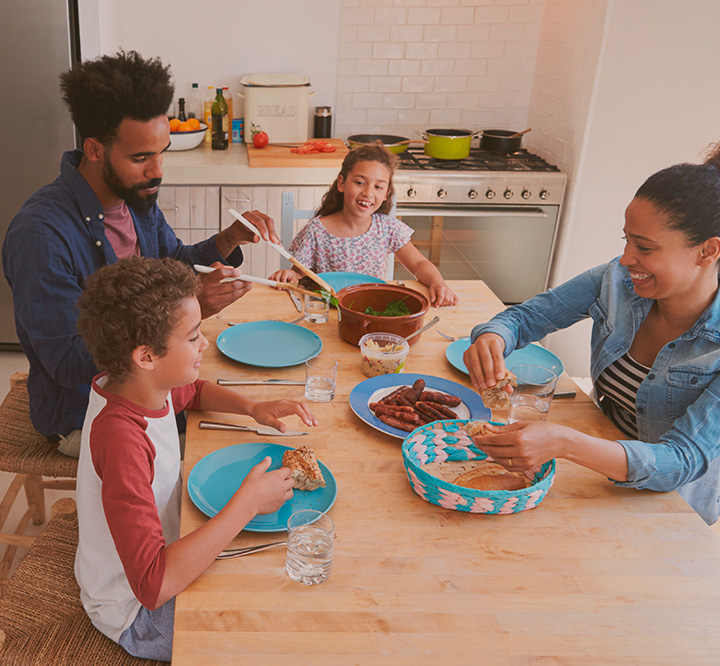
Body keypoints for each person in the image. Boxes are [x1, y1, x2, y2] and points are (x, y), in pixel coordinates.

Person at [2, 51, 279, 457]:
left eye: (161, 151)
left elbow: (175, 265)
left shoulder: (134, 198)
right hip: (87, 413)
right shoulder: (40, 235)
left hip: (153, 382)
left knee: (257, 415)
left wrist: (228, 240)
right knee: (229, 450)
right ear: (94, 150)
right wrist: (184, 313)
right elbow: (65, 360)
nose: (158, 170)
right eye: (141, 157)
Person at [73, 256, 317, 661]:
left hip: (168, 551)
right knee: (276, 629)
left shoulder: (143, 385)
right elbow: (153, 584)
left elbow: (194, 392)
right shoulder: (122, 441)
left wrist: (253, 407)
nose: (204, 343)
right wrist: (248, 505)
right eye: (192, 337)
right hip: (136, 612)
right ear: (146, 355)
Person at [463, 162, 720, 525]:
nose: (627, 259)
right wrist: (493, 337)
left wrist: (566, 443)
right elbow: (525, 317)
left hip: (671, 512)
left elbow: (681, 461)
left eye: (645, 247)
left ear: (708, 251)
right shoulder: (616, 280)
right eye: (626, 239)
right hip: (598, 478)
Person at [268, 144, 459, 307]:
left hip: (373, 309)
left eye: (378, 187)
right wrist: (289, 276)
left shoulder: (387, 228)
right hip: (328, 314)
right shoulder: (317, 230)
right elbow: (299, 275)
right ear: (342, 183)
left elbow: (418, 264)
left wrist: (438, 282)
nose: (368, 193)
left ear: (386, 194)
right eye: (360, 182)